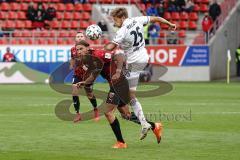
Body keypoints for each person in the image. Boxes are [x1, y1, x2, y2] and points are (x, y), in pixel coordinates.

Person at [104, 7, 176, 140]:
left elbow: (111, 46)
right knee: (129, 96)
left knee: (130, 96)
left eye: (115, 20)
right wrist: (169, 24)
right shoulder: (137, 20)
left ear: (122, 17)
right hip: (143, 57)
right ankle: (148, 124)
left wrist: (102, 50)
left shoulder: (123, 30)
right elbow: (156, 18)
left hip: (134, 62)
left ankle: (144, 123)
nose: (115, 23)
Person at [74, 40, 163, 148]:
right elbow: (93, 75)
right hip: (116, 83)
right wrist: (84, 82)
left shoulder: (99, 54)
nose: (78, 51)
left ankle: (121, 142)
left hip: (119, 82)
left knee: (108, 112)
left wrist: (118, 71)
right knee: (126, 114)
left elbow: (119, 56)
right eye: (77, 49)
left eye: (81, 49)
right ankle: (155, 126)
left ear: (87, 47)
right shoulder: (87, 60)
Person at [70, 32, 99, 123]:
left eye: (81, 36)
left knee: (89, 94)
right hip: (78, 74)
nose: (79, 37)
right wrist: (72, 64)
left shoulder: (90, 50)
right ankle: (78, 114)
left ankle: (95, 110)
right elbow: (73, 58)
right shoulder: (73, 50)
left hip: (88, 75)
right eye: (78, 36)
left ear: (85, 38)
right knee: (74, 90)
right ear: (75, 39)